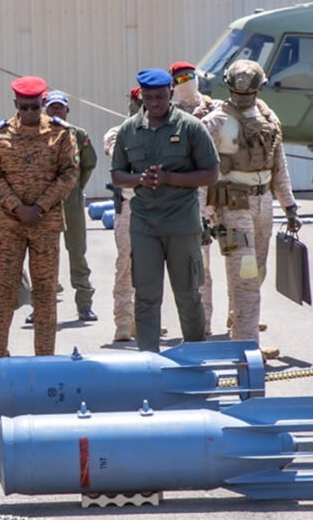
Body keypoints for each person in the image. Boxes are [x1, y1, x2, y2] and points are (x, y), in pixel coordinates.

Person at [111, 69, 219, 353]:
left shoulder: (191, 127)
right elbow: (118, 175)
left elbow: (211, 173)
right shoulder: (128, 130)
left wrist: (171, 179)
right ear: (142, 96)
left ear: (170, 93)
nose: (155, 102)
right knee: (146, 296)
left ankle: (195, 355)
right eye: (149, 97)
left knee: (188, 294)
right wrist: (140, 180)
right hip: (145, 223)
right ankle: (149, 359)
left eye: (160, 96)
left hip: (182, 222)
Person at [200, 59, 301, 354]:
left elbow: (278, 165)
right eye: (238, 92)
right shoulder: (214, 123)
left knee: (255, 272)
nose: (243, 98)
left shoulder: (268, 117)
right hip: (232, 205)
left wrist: (290, 206)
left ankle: (240, 325)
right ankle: (246, 349)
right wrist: (203, 218)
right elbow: (203, 173)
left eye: (249, 92)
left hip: (263, 203)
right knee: (244, 272)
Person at [0, 76, 78, 358]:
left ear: (43, 104)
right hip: (11, 225)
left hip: (45, 224)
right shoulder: (0, 135)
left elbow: (69, 174)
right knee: (3, 290)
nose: (29, 113)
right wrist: (18, 208)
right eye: (24, 107)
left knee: (46, 292)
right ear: (15, 104)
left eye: (35, 107)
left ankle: (45, 358)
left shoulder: (60, 134)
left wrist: (39, 207)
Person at [171, 61, 220, 336]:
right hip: (192, 199)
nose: (186, 82)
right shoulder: (171, 114)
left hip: (222, 196)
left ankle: (240, 317)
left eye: (189, 76)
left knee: (243, 262)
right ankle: (205, 324)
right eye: (179, 79)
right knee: (200, 266)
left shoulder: (216, 107)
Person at [44, 90, 98, 322]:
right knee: (44, 255)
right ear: (46, 108)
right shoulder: (37, 134)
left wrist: (75, 189)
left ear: (67, 109)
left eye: (60, 106)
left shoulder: (78, 134)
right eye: (52, 106)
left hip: (71, 200)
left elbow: (89, 163)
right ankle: (42, 306)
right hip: (45, 203)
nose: (56, 110)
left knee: (77, 252)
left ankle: (84, 304)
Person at [104, 87, 145, 342]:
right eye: (139, 102)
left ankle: (145, 319)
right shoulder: (118, 133)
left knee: (152, 267)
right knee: (126, 265)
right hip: (130, 207)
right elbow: (114, 153)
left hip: (155, 207)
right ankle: (123, 321)